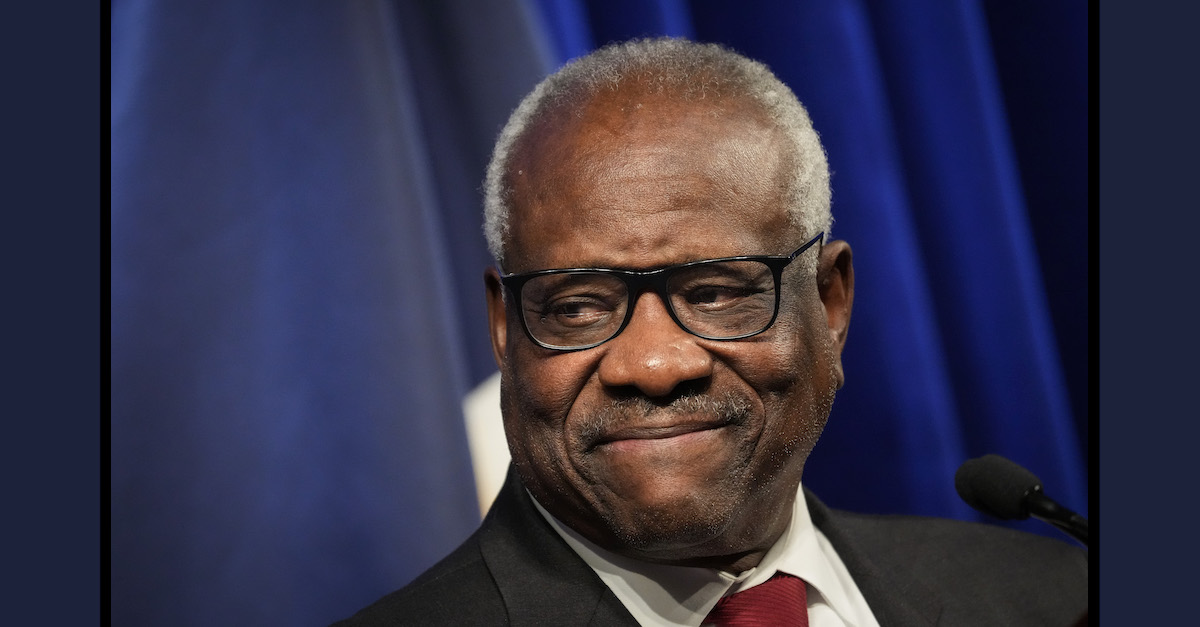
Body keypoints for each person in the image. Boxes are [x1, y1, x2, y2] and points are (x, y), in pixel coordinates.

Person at [335, 37, 1087, 626]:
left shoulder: (1061, 598)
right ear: (504, 329)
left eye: (717, 292)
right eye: (579, 306)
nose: (655, 362)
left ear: (829, 304)